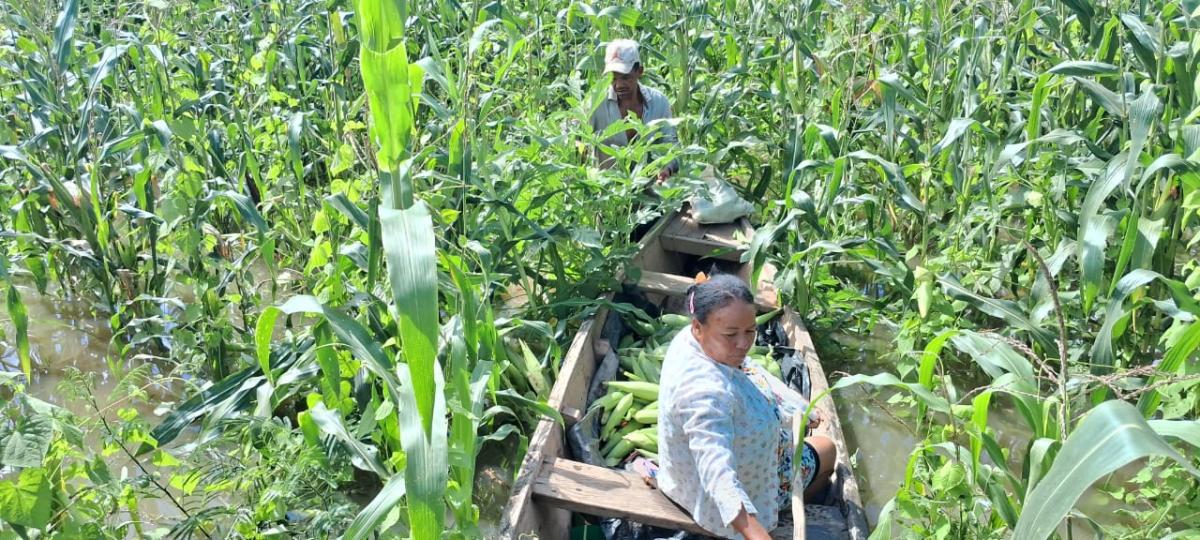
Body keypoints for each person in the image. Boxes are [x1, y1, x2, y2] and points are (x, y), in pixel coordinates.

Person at [656, 274, 836, 540]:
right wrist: (758, 535)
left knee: (814, 442)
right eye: (731, 334)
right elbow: (718, 475)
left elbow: (750, 369)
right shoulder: (704, 393)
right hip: (721, 500)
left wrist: (796, 405)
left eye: (751, 331)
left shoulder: (695, 342)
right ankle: (775, 515)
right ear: (698, 327)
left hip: (685, 479)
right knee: (828, 449)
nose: (743, 344)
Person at [590, 39, 679, 182]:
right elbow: (573, 139)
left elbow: (671, 144)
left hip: (652, 193)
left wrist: (666, 168)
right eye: (613, 78)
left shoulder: (659, 102)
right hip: (609, 197)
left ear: (640, 72)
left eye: (625, 78)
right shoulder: (595, 104)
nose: (618, 85)